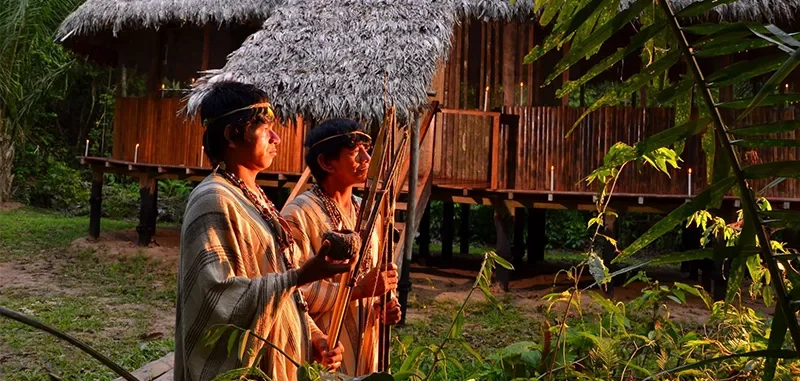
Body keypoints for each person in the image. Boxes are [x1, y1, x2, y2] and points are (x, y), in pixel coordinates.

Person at [175, 81, 350, 381]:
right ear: (233, 134)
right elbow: (217, 299)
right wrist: (301, 276)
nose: (276, 137)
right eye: (264, 127)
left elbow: (281, 289)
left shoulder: (254, 197)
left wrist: (313, 336)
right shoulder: (213, 199)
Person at [282, 119, 402, 376]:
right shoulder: (298, 214)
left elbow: (376, 276)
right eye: (354, 152)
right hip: (324, 350)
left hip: (368, 346)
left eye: (366, 150)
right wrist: (358, 289)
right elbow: (293, 289)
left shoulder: (369, 213)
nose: (367, 157)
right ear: (327, 163)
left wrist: (386, 303)